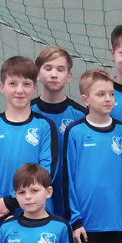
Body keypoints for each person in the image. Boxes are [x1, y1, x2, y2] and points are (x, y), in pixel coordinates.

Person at [0, 55, 59, 241]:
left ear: (34, 88)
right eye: (13, 84)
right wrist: (1, 205)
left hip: (38, 216)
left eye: (26, 84)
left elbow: (47, 171)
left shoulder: (45, 126)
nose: (20, 90)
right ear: (2, 87)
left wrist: (11, 202)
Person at [63, 69, 122, 243]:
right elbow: (68, 178)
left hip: (117, 221)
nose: (108, 99)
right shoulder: (75, 132)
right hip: (87, 221)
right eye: (101, 94)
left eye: (111, 94)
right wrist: (75, 220)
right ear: (86, 99)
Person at [31, 46, 85, 218]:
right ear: (37, 74)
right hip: (35, 197)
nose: (54, 74)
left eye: (60, 69)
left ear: (69, 76)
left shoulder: (81, 115)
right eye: (48, 68)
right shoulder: (26, 112)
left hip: (74, 198)